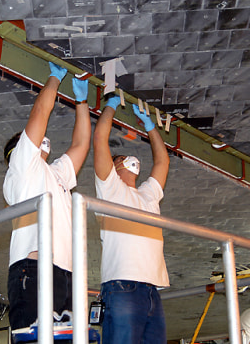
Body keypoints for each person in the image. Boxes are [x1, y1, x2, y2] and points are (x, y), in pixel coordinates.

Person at [3, 62, 91, 331]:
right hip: (35, 268)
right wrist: (54, 79)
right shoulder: (21, 166)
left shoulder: (57, 174)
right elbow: (40, 113)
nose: (42, 138)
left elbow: (80, 145)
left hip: (66, 273)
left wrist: (82, 102)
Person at [93, 95, 170, 344]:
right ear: (114, 167)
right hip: (122, 284)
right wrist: (111, 106)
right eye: (119, 158)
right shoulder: (110, 189)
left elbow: (162, 160)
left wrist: (150, 128)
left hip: (151, 288)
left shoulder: (148, 195)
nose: (128, 160)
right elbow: (99, 140)